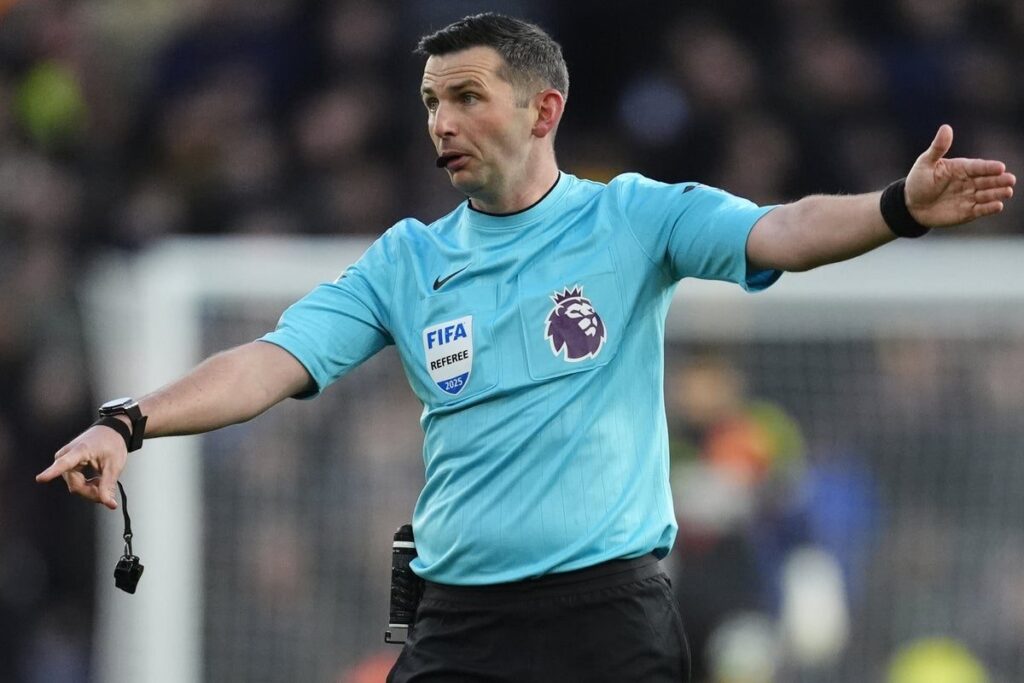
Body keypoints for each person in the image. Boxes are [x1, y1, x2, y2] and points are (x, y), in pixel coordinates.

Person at [36, 13, 1015, 683]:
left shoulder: (633, 218)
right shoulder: (408, 261)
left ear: (542, 110)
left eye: (466, 97)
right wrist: (131, 419)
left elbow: (783, 229)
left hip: (605, 618)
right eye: (429, 102)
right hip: (456, 621)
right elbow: (269, 360)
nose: (441, 122)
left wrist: (897, 208)